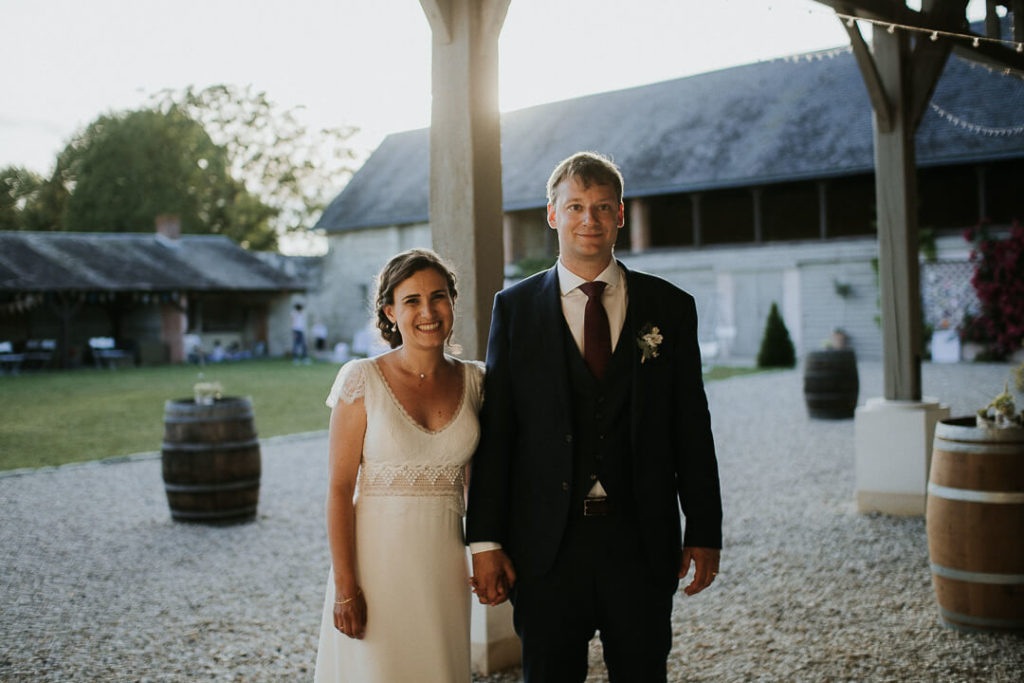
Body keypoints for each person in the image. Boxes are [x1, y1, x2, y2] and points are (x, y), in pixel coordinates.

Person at [466, 151, 723, 682]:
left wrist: (704, 528)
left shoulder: (670, 307)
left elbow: (691, 426)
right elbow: (499, 433)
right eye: (576, 206)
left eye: (603, 207)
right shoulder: (514, 309)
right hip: (546, 547)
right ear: (552, 214)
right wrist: (486, 541)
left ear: (620, 215)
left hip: (641, 540)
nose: (590, 219)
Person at [314, 248, 485, 683]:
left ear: (452, 302)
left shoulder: (477, 381)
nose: (428, 312)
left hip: (444, 565)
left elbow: (483, 485)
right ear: (390, 311)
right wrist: (345, 588)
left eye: (438, 297)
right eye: (412, 301)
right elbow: (338, 490)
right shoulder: (361, 379)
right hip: (375, 568)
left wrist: (487, 553)